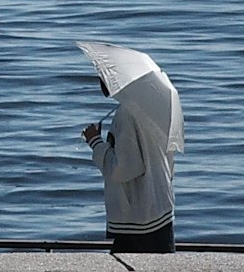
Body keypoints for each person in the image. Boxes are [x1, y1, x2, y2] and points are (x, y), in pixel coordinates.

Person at [76, 37, 180, 254]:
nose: (100, 79)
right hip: (160, 206)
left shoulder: (126, 115)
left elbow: (124, 168)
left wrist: (95, 142)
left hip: (139, 215)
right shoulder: (152, 108)